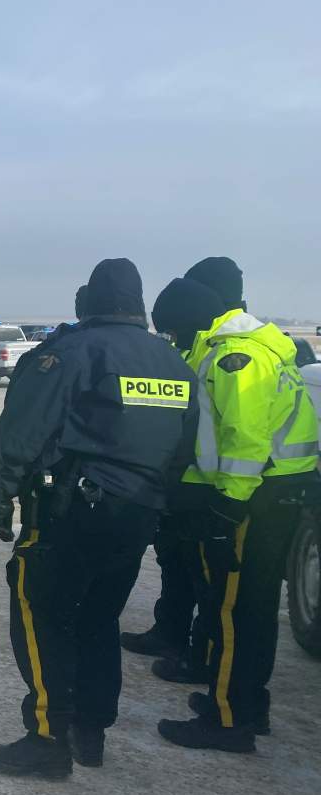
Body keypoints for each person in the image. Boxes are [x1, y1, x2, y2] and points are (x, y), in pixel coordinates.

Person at [0, 259, 197, 777]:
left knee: (40, 612)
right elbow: (185, 448)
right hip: (139, 515)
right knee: (99, 618)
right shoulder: (174, 364)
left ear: (91, 301)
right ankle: (90, 730)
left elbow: (21, 436)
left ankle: (47, 737)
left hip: (69, 512)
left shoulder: (70, 354)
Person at [153, 278, 319, 751]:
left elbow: (246, 440)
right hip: (274, 491)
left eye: (174, 332)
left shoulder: (234, 358)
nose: (175, 341)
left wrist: (228, 508)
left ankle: (229, 720)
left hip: (254, 497)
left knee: (235, 607)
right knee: (254, 606)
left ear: (189, 322)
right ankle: (241, 703)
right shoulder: (257, 346)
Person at [122, 258, 247, 676]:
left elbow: (238, 432)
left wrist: (227, 499)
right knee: (176, 562)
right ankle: (171, 632)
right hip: (186, 481)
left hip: (211, 487)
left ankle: (202, 657)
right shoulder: (203, 341)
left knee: (207, 578)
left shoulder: (231, 348)